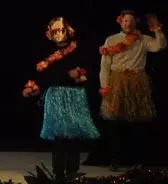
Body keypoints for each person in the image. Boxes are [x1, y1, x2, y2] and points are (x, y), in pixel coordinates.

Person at [21, 17, 99, 179]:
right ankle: (58, 172)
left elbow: (91, 70)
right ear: (50, 33)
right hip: (55, 97)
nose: (59, 33)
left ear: (68, 31)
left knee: (74, 136)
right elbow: (42, 76)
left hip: (75, 96)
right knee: (58, 137)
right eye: (55, 31)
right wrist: (32, 87)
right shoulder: (47, 53)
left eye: (62, 30)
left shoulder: (78, 51)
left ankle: (72, 171)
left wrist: (80, 73)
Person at [99, 10, 165, 169]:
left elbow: (160, 46)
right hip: (117, 81)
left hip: (137, 82)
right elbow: (105, 66)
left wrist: (157, 30)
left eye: (131, 21)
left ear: (136, 23)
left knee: (137, 122)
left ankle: (136, 159)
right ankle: (115, 160)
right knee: (115, 121)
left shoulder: (143, 39)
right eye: (125, 21)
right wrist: (105, 86)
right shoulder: (111, 39)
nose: (128, 24)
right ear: (120, 22)